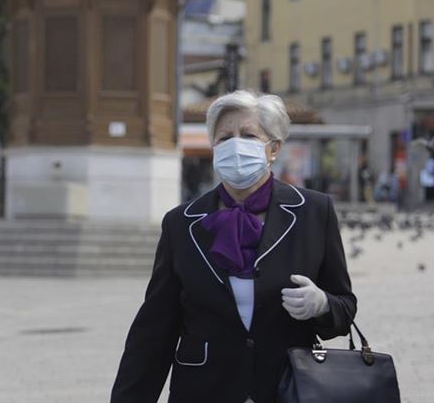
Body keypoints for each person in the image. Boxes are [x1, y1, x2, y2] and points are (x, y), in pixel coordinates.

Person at [111, 90, 356, 403]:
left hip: (287, 388)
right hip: (204, 390)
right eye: (224, 137)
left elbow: (345, 308)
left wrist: (323, 305)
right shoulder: (182, 223)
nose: (235, 145)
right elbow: (154, 330)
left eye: (248, 134)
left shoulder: (313, 212)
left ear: (274, 149)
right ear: (214, 148)